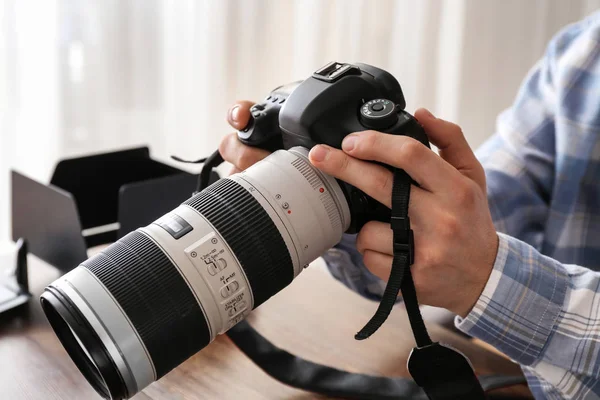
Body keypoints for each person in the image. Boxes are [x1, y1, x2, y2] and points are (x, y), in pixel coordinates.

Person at [218, 13, 600, 399]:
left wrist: (485, 278)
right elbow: (468, 226)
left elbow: (475, 259)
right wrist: (331, 192)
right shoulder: (584, 55)